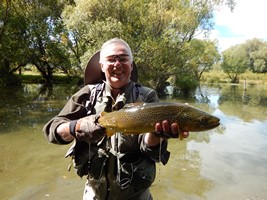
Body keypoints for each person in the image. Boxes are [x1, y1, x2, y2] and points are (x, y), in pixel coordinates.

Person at [43, 38, 189, 200]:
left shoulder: (148, 96)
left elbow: (151, 151)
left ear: (131, 65)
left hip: (136, 195)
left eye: (123, 59)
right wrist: (76, 127)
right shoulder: (86, 95)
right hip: (94, 193)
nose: (117, 64)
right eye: (111, 59)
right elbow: (52, 130)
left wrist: (157, 134)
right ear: (102, 66)